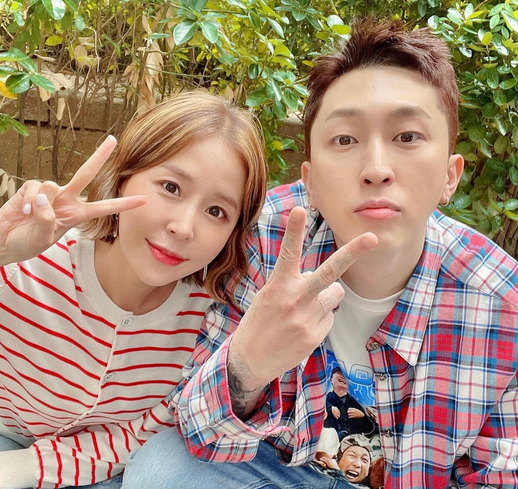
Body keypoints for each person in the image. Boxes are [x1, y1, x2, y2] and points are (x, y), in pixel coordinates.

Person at [121, 18, 518, 489]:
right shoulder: (267, 236)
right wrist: (248, 363)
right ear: (309, 180)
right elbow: (198, 432)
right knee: (161, 471)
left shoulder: (500, 303)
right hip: (272, 465)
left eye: (407, 136)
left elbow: (497, 477)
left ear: (450, 175)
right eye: (345, 139)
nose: (376, 169)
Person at [0, 91, 267, 489]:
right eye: (171, 187)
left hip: (101, 469)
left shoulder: (210, 322)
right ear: (124, 176)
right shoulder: (30, 263)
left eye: (217, 211)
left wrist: (24, 468)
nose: (183, 227)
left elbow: (144, 431)